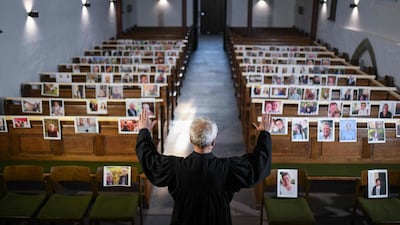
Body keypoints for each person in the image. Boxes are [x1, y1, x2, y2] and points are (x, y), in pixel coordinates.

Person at [136, 110, 272, 225]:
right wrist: (264, 134)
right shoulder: (228, 168)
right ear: (213, 142)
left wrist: (144, 131)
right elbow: (257, 165)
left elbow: (150, 160)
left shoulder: (175, 167)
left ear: (191, 139)